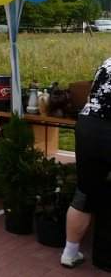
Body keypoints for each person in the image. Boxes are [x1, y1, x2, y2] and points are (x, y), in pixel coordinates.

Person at [61, 57, 111, 269]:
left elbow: (92, 94)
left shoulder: (108, 63)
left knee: (85, 191)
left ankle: (70, 253)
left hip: (88, 126)